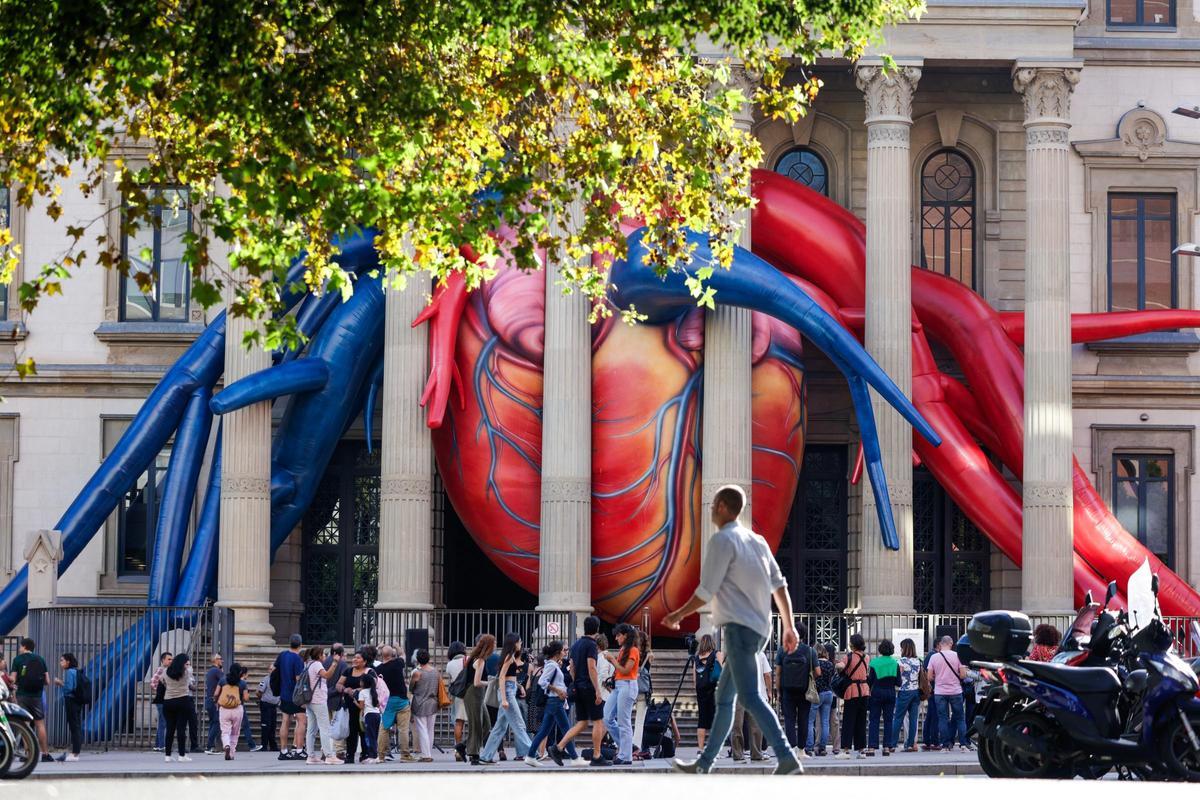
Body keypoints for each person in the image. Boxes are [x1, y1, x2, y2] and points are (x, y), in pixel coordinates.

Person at [662, 484, 803, 776]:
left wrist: (677, 614)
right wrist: (788, 626)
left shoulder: (722, 540)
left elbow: (706, 590)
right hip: (759, 631)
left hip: (739, 630)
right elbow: (780, 586)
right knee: (724, 698)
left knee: (750, 697)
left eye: (714, 505)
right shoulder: (758, 541)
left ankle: (786, 756)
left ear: (724, 507)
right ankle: (705, 763)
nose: (711, 510)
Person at [547, 615, 609, 767]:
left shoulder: (575, 645)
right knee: (598, 721)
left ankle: (558, 747)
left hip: (578, 687)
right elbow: (592, 667)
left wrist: (576, 682)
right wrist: (597, 691)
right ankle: (597, 755)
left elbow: (572, 667)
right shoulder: (591, 645)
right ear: (597, 629)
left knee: (581, 723)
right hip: (589, 687)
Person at [480, 633, 535, 765]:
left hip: (510, 690)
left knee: (500, 728)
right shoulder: (509, 657)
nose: (521, 644)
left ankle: (485, 756)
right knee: (519, 724)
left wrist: (519, 686)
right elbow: (502, 678)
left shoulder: (508, 656)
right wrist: (504, 699)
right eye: (520, 642)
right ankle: (533, 754)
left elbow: (507, 677)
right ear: (514, 643)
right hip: (508, 693)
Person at [526, 640, 578, 766]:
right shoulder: (551, 665)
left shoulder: (553, 664)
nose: (565, 652)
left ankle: (531, 755)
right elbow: (542, 682)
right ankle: (575, 758)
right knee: (566, 729)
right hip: (555, 701)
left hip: (554, 701)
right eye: (563, 650)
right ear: (557, 652)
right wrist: (558, 690)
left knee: (544, 731)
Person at [775, 622, 818, 752]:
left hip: (787, 690)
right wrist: (809, 678)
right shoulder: (810, 651)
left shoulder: (783, 650)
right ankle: (801, 750)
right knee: (804, 719)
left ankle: (792, 748)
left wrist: (778, 691)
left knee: (789, 719)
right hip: (804, 690)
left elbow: (777, 673)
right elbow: (818, 672)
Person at [9, 638, 53, 763]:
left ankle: (28, 754)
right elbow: (47, 681)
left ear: (24, 647)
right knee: (40, 724)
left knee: (25, 724)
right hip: (37, 696)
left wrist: (13, 682)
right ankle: (45, 753)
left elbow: (13, 678)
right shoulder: (40, 659)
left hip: (22, 695)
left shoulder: (18, 659)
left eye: (20, 646)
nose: (19, 649)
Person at [601, 623, 639, 765]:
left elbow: (625, 670)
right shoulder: (624, 649)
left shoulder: (633, 650)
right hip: (620, 686)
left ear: (625, 635)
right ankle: (626, 748)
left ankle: (626, 755)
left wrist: (612, 660)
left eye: (618, 635)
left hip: (628, 685)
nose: (616, 638)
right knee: (607, 718)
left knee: (624, 722)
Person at [302, 646, 344, 765]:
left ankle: (310, 756)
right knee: (324, 728)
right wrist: (335, 662)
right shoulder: (317, 665)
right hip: (318, 700)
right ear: (319, 655)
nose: (325, 657)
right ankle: (329, 756)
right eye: (323, 655)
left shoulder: (308, 664)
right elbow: (327, 675)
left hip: (310, 700)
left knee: (311, 729)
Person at [335, 650, 378, 764]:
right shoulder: (348, 671)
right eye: (354, 657)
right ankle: (350, 755)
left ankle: (365, 754)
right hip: (350, 705)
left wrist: (357, 690)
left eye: (358, 658)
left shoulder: (370, 671)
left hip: (365, 707)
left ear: (364, 661)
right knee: (351, 731)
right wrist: (345, 689)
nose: (354, 659)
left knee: (364, 730)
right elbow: (338, 684)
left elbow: (374, 684)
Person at [730, 647, 772, 762]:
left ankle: (738, 754)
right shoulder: (760, 654)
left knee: (737, 724)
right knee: (756, 725)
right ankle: (756, 753)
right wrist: (769, 691)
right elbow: (767, 675)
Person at [927, 635, 967, 752]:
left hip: (940, 692)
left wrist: (939, 677)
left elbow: (929, 677)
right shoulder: (958, 656)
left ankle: (945, 745)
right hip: (955, 691)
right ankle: (963, 744)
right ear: (951, 643)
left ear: (940, 644)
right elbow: (963, 675)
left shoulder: (934, 657)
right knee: (960, 718)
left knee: (942, 718)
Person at [834, 633, 870, 759]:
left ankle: (846, 750)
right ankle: (861, 750)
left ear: (852, 644)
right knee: (861, 721)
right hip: (864, 691)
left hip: (852, 691)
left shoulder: (849, 657)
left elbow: (840, 667)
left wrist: (837, 665)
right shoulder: (866, 657)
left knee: (849, 721)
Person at [377, 645, 414, 762]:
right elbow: (403, 655)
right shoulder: (397, 663)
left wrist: (379, 649)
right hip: (401, 701)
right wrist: (397, 646)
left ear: (382, 655)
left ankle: (381, 755)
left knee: (384, 728)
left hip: (387, 701)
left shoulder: (378, 669)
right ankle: (405, 755)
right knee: (403, 729)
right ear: (392, 655)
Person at [463, 634, 496, 765]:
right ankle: (474, 755)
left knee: (486, 724)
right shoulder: (480, 660)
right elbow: (477, 682)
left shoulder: (479, 659)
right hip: (473, 693)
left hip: (478, 694)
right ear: (489, 646)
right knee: (476, 725)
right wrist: (491, 683)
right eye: (494, 644)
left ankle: (464, 746)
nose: (495, 646)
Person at [274, 633, 307, 760]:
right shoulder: (297, 658)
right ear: (300, 644)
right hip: (295, 695)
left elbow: (274, 668)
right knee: (301, 721)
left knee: (285, 721)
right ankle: (299, 749)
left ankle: (283, 750)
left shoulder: (282, 655)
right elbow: (298, 678)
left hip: (284, 693)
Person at [866, 639, 898, 756]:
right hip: (890, 693)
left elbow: (870, 681)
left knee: (874, 720)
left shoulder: (874, 663)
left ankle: (872, 747)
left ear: (880, 650)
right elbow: (898, 682)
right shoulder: (895, 663)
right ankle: (886, 747)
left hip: (877, 693)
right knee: (888, 721)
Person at [160, 652, 195, 763]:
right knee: (181, 729)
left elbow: (162, 681)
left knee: (170, 728)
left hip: (168, 701)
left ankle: (167, 756)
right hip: (182, 701)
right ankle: (181, 755)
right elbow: (191, 673)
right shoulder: (187, 672)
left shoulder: (165, 672)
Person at [693, 633, 723, 752]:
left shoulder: (696, 657)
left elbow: (694, 677)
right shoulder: (717, 654)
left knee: (702, 720)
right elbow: (722, 669)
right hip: (714, 690)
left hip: (701, 691)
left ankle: (700, 748)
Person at [891, 638, 922, 753]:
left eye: (901, 647)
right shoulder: (918, 661)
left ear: (905, 648)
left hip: (904, 691)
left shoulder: (901, 661)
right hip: (916, 692)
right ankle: (910, 744)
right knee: (914, 719)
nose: (900, 649)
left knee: (898, 718)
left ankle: (892, 744)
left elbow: (897, 677)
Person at [409, 649, 438, 762]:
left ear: (417, 660)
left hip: (420, 702)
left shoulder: (417, 672)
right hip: (433, 702)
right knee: (430, 729)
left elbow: (411, 688)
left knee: (422, 729)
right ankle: (428, 752)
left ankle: (426, 754)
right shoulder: (435, 671)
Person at [806, 643, 835, 756]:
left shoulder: (815, 663)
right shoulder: (830, 664)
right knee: (825, 722)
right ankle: (822, 748)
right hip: (829, 693)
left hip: (817, 694)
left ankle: (809, 747)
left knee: (810, 721)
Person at [215, 663, 249, 760]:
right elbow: (246, 698)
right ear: (240, 672)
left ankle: (226, 745)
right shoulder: (242, 683)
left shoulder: (222, 680)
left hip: (224, 709)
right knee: (235, 732)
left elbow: (216, 693)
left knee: (225, 731)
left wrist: (216, 700)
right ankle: (231, 753)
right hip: (237, 709)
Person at [53, 653, 82, 761]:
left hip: (71, 700)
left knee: (74, 727)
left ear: (68, 661)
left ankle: (75, 754)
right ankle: (76, 751)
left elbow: (69, 688)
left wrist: (60, 682)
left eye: (62, 660)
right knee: (77, 725)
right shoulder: (76, 671)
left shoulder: (69, 672)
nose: (60, 663)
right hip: (77, 701)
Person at [631, 629, 654, 758]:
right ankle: (636, 747)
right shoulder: (649, 655)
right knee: (640, 720)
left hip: (630, 687)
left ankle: (624, 744)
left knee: (626, 719)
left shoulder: (633, 653)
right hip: (643, 690)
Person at [445, 641, 468, 761]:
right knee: (474, 723)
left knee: (458, 723)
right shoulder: (469, 659)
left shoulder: (450, 665)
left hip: (458, 696)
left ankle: (458, 751)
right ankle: (471, 747)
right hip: (470, 694)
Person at [356, 670, 383, 764]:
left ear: (364, 683)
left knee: (370, 736)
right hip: (377, 715)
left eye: (361, 681)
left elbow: (361, 707)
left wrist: (355, 702)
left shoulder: (362, 692)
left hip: (369, 716)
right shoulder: (374, 691)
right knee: (375, 736)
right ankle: (376, 755)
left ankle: (373, 756)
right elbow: (378, 704)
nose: (360, 682)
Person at [150, 652, 172, 751]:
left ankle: (158, 745)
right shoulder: (161, 670)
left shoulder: (167, 670)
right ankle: (162, 745)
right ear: (163, 660)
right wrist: (160, 690)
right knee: (164, 722)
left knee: (162, 722)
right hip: (162, 700)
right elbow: (152, 682)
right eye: (169, 659)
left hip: (162, 700)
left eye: (171, 659)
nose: (171, 661)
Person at [203, 653, 225, 754]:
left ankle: (210, 746)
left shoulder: (211, 671)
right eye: (220, 659)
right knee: (216, 722)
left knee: (213, 722)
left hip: (209, 700)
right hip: (214, 701)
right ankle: (209, 746)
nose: (222, 661)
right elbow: (225, 681)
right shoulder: (216, 670)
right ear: (215, 660)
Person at [258, 665, 280, 752]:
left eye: (273, 669)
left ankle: (273, 745)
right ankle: (264, 745)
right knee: (266, 725)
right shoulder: (265, 679)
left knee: (273, 725)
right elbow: (259, 691)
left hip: (274, 705)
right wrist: (262, 700)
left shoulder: (279, 679)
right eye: (270, 669)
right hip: (266, 705)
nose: (272, 671)